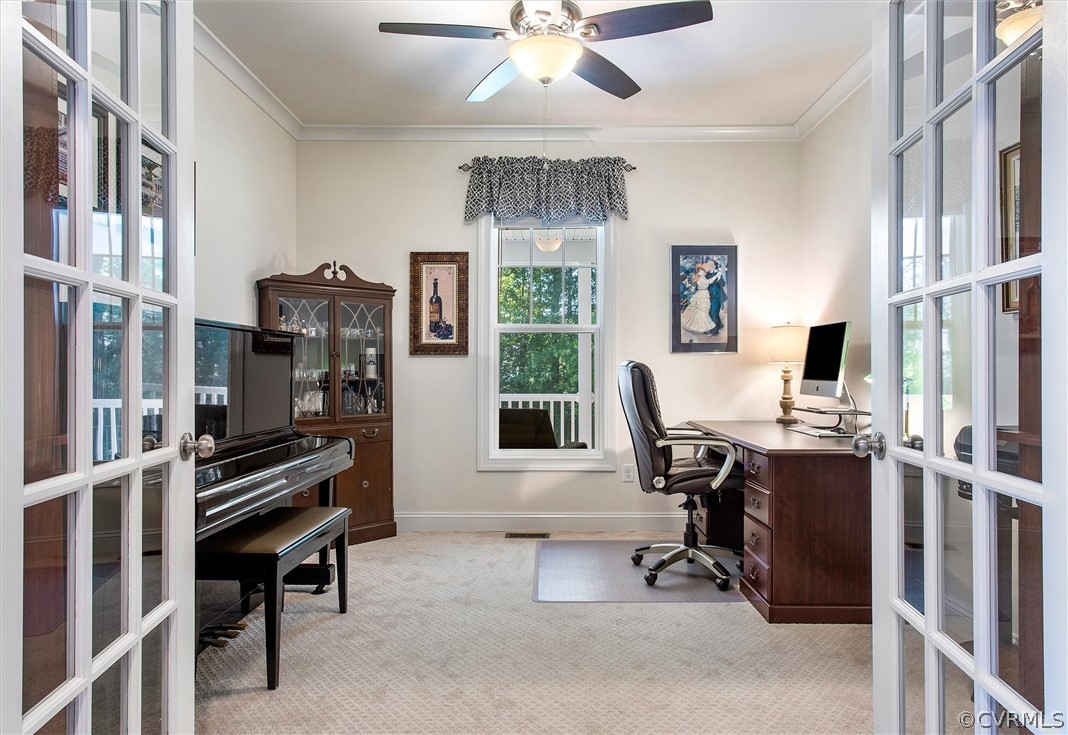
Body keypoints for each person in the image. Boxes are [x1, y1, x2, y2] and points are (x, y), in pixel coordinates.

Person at [680, 263, 716, 335]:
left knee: (704, 310)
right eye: (703, 270)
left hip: (704, 294)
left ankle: (703, 327)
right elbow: (708, 282)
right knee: (702, 310)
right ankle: (701, 327)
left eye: (704, 270)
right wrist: (716, 276)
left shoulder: (702, 277)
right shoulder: (699, 277)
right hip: (702, 294)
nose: (704, 271)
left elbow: (707, 282)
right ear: (699, 271)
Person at [707, 260, 727, 336]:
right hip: (708, 297)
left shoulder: (718, 274)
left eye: (710, 265)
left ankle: (714, 331)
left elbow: (723, 284)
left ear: (714, 266)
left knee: (713, 313)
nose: (708, 266)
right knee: (710, 312)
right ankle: (719, 325)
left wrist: (719, 278)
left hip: (717, 297)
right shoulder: (706, 274)